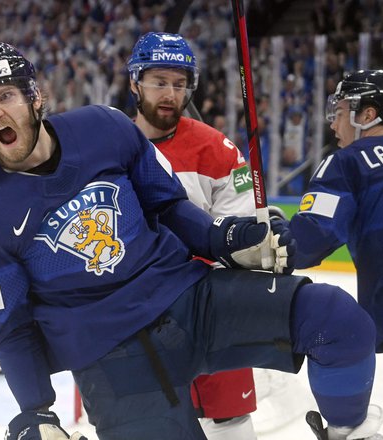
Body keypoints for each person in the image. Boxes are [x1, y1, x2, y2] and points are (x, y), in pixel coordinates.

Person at [0, 41, 383, 440]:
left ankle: (352, 433)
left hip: (186, 299)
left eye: (5, 96)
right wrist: (36, 411)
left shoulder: (104, 127)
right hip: (107, 354)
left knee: (336, 319)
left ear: (34, 96)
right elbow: (7, 329)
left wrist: (225, 238)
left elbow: (168, 206)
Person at [288, 69, 383, 439]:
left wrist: (270, 235)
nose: (333, 122)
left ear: (366, 115)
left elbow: (310, 241)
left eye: (339, 111)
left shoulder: (348, 161)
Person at [128, 32, 258, 440]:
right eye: (159, 82)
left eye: (180, 83)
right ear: (135, 82)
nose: (170, 93)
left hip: (209, 306)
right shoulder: (108, 147)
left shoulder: (218, 150)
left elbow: (240, 238)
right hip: (136, 313)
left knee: (230, 419)